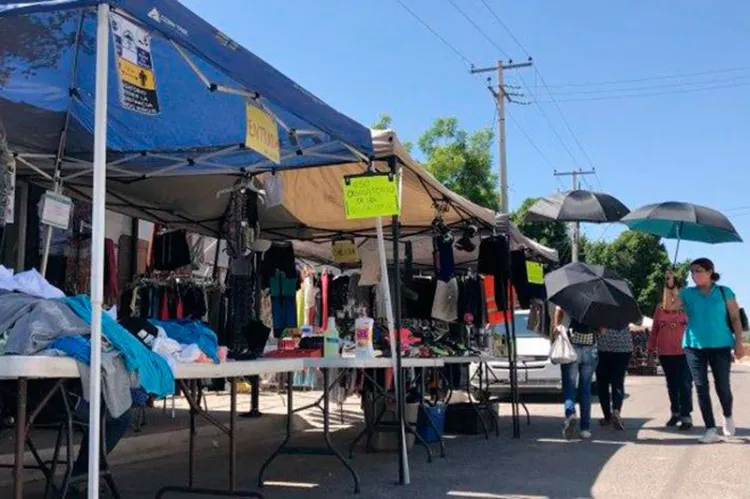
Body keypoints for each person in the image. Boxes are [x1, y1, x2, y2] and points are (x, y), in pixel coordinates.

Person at [672, 259, 744, 444]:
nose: (695, 274)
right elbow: (669, 306)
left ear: (710, 271)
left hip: (721, 345)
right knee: (701, 386)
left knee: (722, 386)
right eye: (692, 272)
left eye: (699, 270)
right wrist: (670, 285)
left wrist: (739, 343)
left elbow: (736, 319)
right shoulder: (687, 293)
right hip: (693, 346)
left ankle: (727, 415)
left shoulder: (724, 292)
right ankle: (710, 429)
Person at [648, 269, 693, 430]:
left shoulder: (686, 309)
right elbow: (654, 331)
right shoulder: (660, 309)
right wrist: (651, 351)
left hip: (685, 353)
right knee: (672, 384)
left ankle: (686, 415)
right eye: (667, 289)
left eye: (673, 289)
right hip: (665, 353)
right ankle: (675, 412)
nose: (671, 293)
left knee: (685, 384)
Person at [554, 306, 599, 440]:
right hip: (590, 348)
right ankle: (585, 429)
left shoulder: (570, 295)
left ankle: (570, 414)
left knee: (569, 386)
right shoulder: (597, 300)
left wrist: (556, 325)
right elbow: (602, 330)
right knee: (585, 390)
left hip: (571, 347)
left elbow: (558, 309)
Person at [597, 326, 633, 430]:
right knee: (618, 382)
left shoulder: (601, 309)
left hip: (604, 347)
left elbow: (597, 326)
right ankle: (616, 411)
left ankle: (607, 416)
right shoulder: (627, 308)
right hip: (624, 347)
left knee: (602, 384)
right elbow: (638, 321)